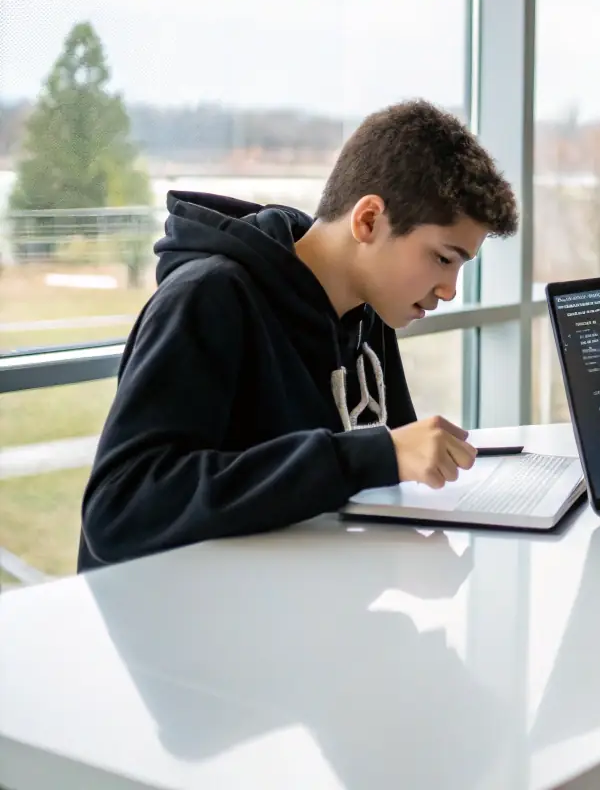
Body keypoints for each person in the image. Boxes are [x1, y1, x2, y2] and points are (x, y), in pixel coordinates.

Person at [78, 99, 519, 571]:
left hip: (301, 605)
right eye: (442, 258)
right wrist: (372, 455)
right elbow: (118, 509)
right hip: (188, 624)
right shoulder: (209, 298)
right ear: (368, 220)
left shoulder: (369, 314)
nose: (450, 290)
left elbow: (382, 483)